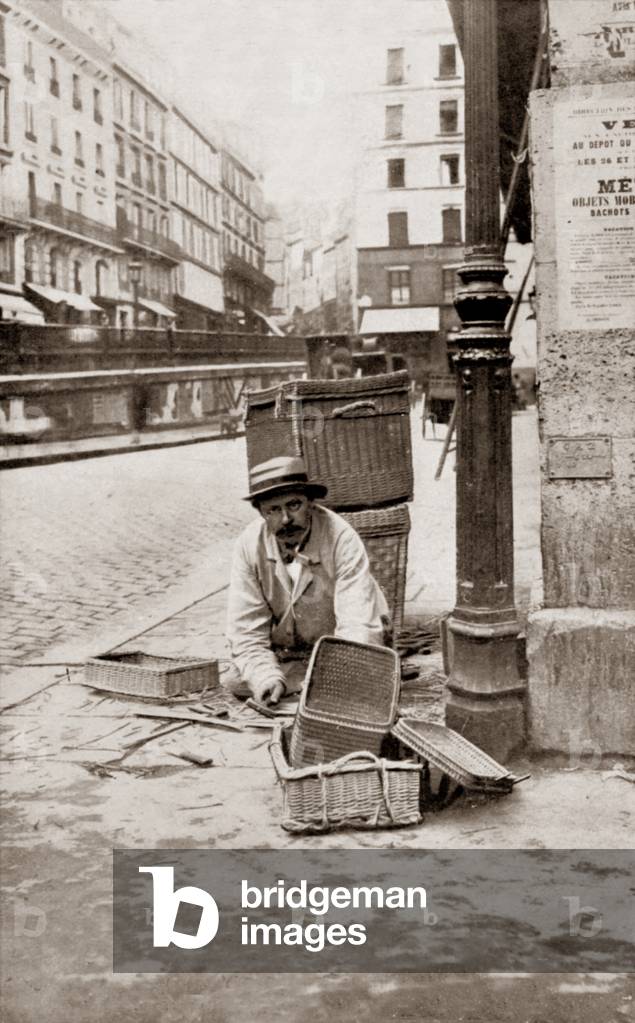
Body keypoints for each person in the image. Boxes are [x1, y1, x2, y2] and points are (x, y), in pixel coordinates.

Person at [225, 456, 388, 705]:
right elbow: (246, 631)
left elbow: (357, 626)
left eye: (293, 505)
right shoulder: (249, 545)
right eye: (273, 510)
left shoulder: (341, 538)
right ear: (261, 512)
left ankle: (315, 681)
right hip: (290, 654)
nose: (286, 520)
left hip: (341, 645)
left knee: (360, 682)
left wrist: (338, 679)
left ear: (310, 503)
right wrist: (266, 678)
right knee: (238, 680)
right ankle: (298, 681)